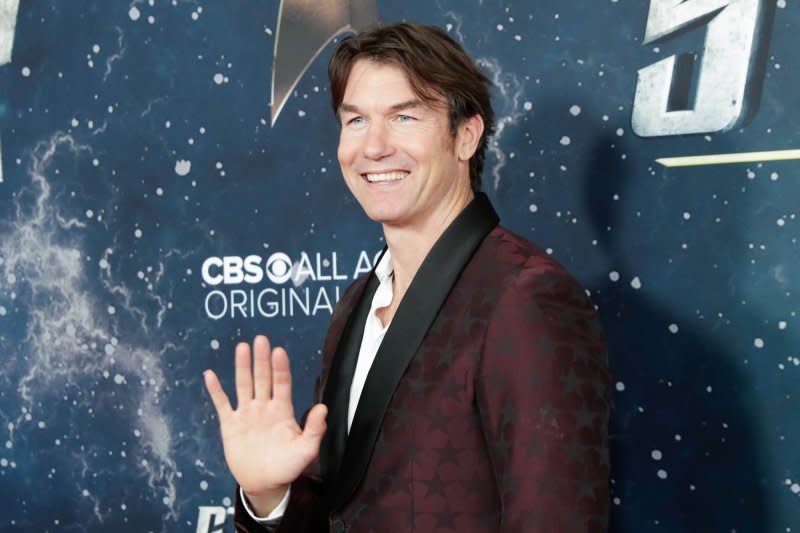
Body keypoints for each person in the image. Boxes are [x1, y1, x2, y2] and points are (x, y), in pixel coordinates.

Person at [204, 22, 611, 532]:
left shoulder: (525, 297)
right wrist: (269, 495)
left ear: (466, 135)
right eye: (355, 121)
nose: (373, 147)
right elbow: (345, 513)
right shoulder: (357, 303)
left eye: (404, 116)